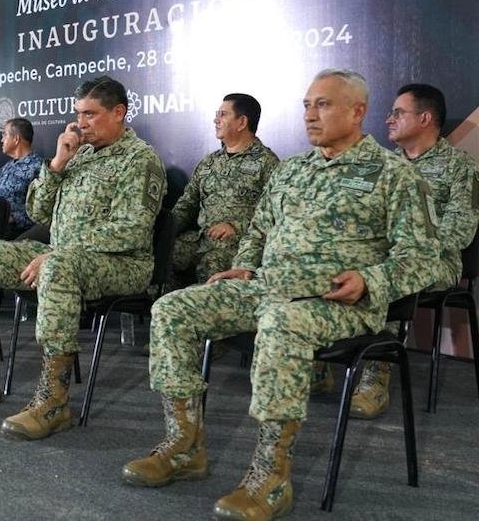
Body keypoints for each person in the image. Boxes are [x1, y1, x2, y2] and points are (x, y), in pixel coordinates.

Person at [122, 69, 440, 521]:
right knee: (174, 308)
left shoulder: (394, 176)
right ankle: (182, 446)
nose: (310, 115)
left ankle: (271, 476)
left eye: (323, 105)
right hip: (269, 288)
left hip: (336, 303)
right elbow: (258, 229)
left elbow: (424, 257)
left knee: (280, 323)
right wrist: (247, 265)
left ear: (358, 111)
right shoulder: (292, 170)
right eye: (307, 105)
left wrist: (373, 280)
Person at [0, 76, 166, 440]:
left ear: (119, 112)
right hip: (62, 254)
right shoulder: (78, 152)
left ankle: (53, 401)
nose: (81, 123)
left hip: (121, 263)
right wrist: (57, 164)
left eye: (91, 114)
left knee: (57, 267)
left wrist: (60, 253)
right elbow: (38, 211)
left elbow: (130, 231)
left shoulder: (141, 160)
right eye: (78, 114)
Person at [348, 83, 479, 419]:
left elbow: (460, 231)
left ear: (424, 118)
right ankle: (321, 366)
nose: (389, 119)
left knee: (389, 273)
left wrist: (406, 247)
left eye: (398, 113)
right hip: (382, 255)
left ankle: (376, 378)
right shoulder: (383, 167)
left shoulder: (459, 167)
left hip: (437, 262)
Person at [170, 94, 278, 283]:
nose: (216, 119)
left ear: (242, 122)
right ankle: (156, 311)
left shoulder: (266, 163)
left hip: (236, 246)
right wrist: (166, 230)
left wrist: (236, 226)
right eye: (217, 114)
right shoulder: (209, 162)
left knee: (212, 263)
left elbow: (274, 215)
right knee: (160, 255)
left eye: (223, 114)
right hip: (200, 240)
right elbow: (186, 204)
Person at [0, 117, 41, 238]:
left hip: (18, 236)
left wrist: (12, 218)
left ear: (16, 138)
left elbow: (42, 211)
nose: (2, 140)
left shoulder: (38, 168)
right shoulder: (4, 168)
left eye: (5, 135)